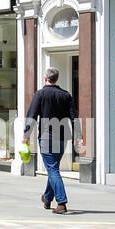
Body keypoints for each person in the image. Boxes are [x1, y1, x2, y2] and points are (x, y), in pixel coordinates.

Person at [22, 67, 80, 214]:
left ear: (45, 78)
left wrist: (26, 136)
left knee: (52, 169)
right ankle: (47, 198)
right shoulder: (66, 95)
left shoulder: (40, 94)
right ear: (56, 79)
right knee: (53, 168)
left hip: (47, 137)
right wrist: (78, 136)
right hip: (62, 138)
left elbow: (32, 116)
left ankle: (61, 203)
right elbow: (75, 117)